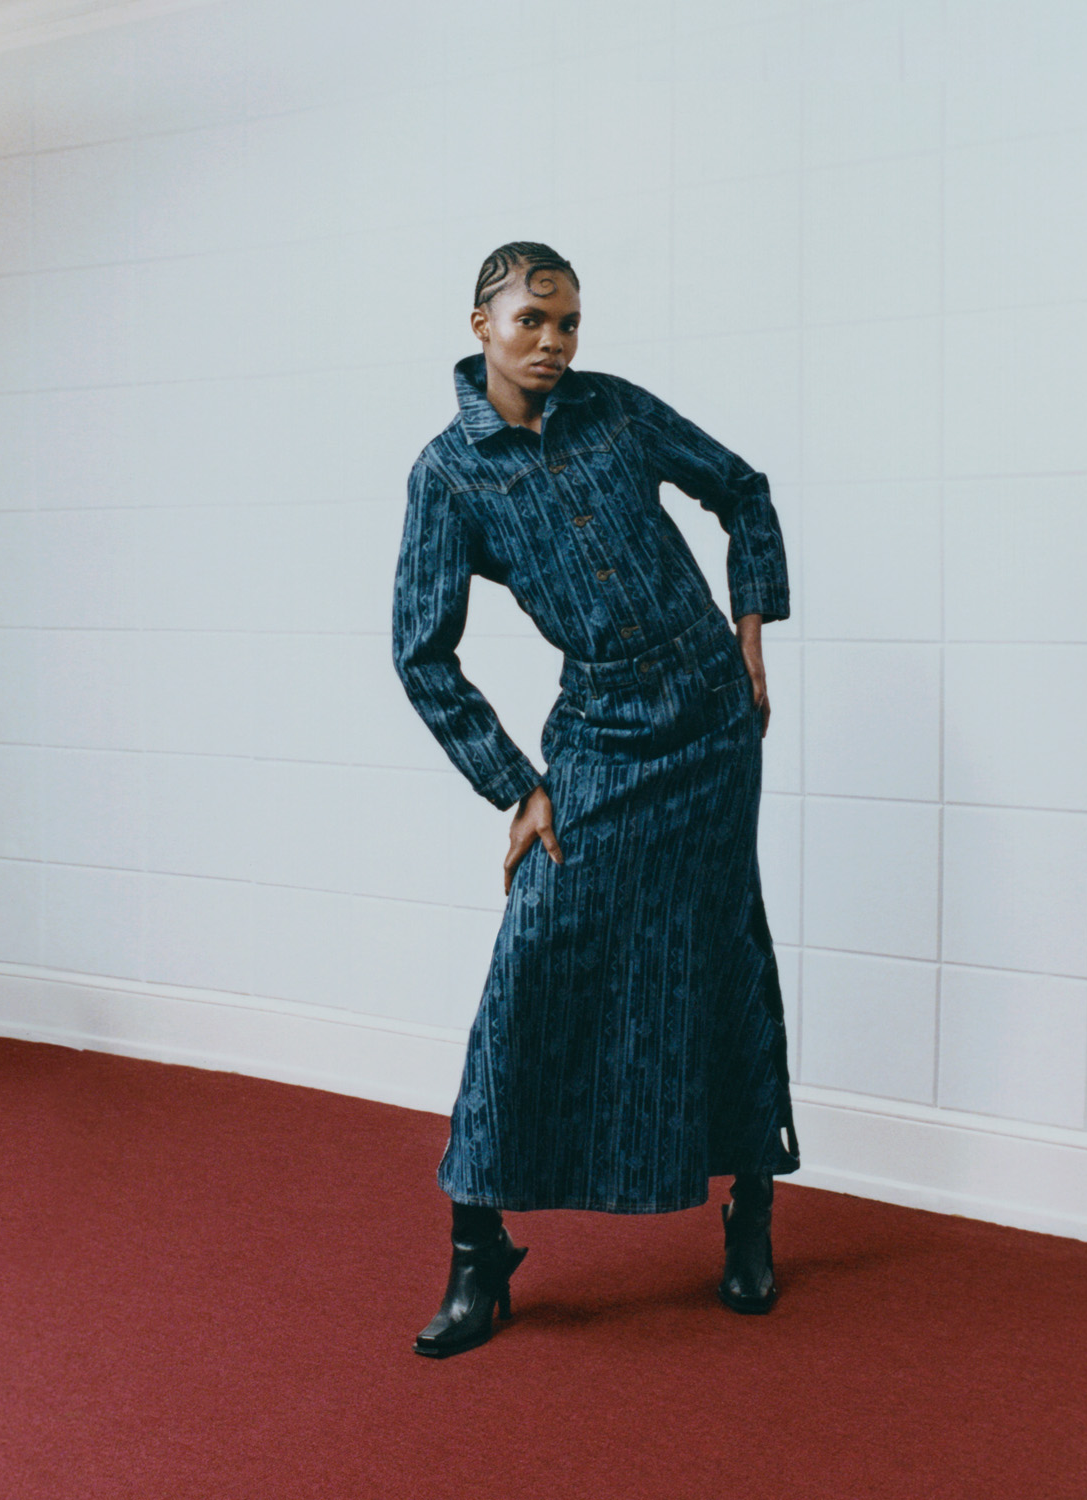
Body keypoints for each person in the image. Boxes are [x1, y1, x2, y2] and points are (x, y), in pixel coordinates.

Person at [391, 241, 799, 1359]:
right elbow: (421, 652)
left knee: (720, 950)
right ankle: (479, 1251)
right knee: (532, 964)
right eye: (532, 319)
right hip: (602, 736)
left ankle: (750, 1209)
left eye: (568, 322)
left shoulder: (615, 410)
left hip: (712, 727)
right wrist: (517, 785)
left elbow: (743, 489)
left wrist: (751, 635)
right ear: (480, 323)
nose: (554, 342)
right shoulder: (450, 474)